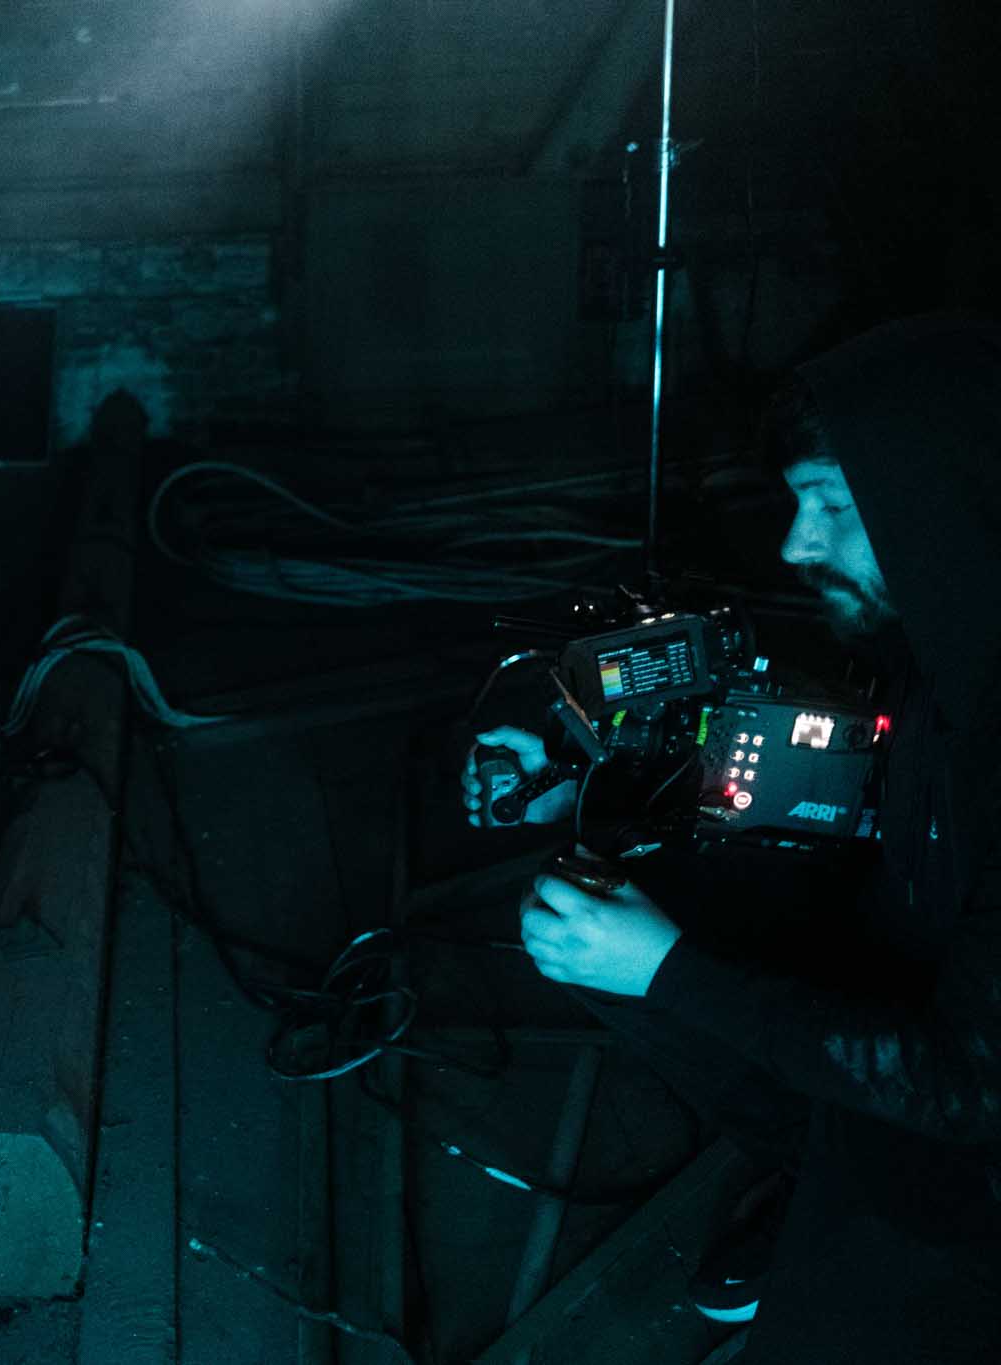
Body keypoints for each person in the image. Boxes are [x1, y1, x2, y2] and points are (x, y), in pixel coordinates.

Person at [461, 313, 1001, 1361]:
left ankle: (869, 1217)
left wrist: (667, 968)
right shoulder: (940, 636)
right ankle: (813, 1164)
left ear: (937, 494)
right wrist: (572, 778)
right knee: (596, 906)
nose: (795, 542)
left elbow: (968, 1088)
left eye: (831, 506)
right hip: (920, 992)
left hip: (968, 1124)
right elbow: (851, 809)